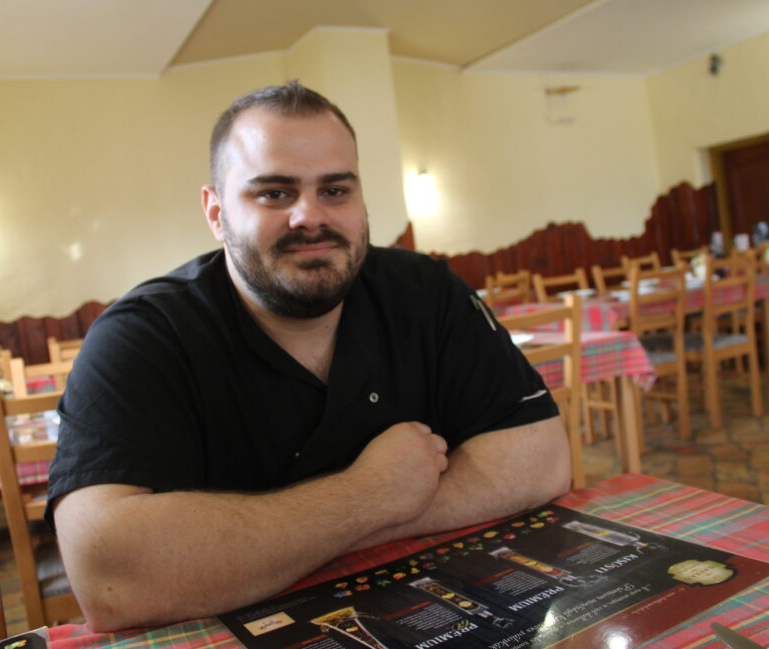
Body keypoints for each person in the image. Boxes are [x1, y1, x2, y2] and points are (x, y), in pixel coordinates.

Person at [47, 81, 570, 632]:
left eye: (335, 190)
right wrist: (368, 494)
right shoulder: (141, 337)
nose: (310, 216)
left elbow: (542, 459)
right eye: (275, 193)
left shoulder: (426, 292)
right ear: (216, 212)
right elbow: (108, 578)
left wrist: (311, 535)